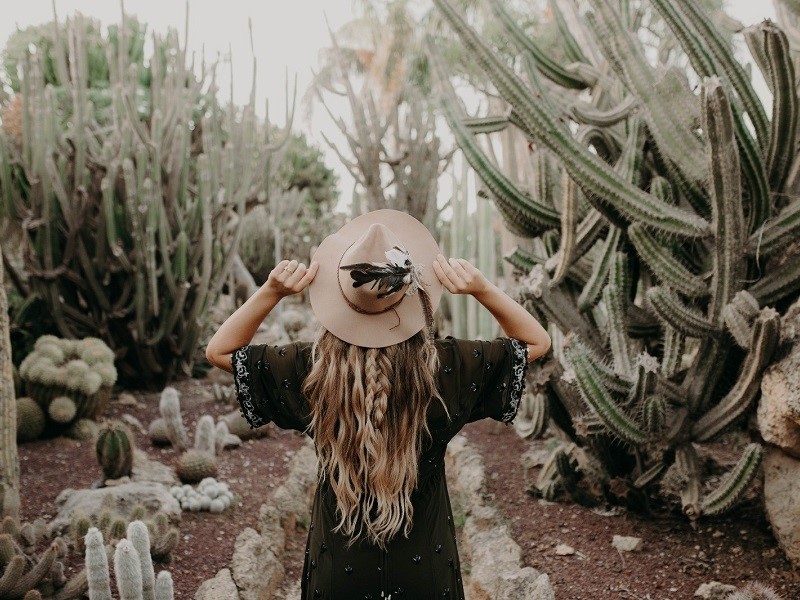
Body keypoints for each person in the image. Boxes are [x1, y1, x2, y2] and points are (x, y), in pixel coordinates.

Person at [206, 209, 551, 600]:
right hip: (426, 572)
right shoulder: (447, 368)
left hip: (337, 572)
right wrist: (482, 288)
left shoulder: (311, 371)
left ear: (337, 300)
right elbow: (536, 342)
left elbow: (220, 350)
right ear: (412, 294)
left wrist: (271, 291)